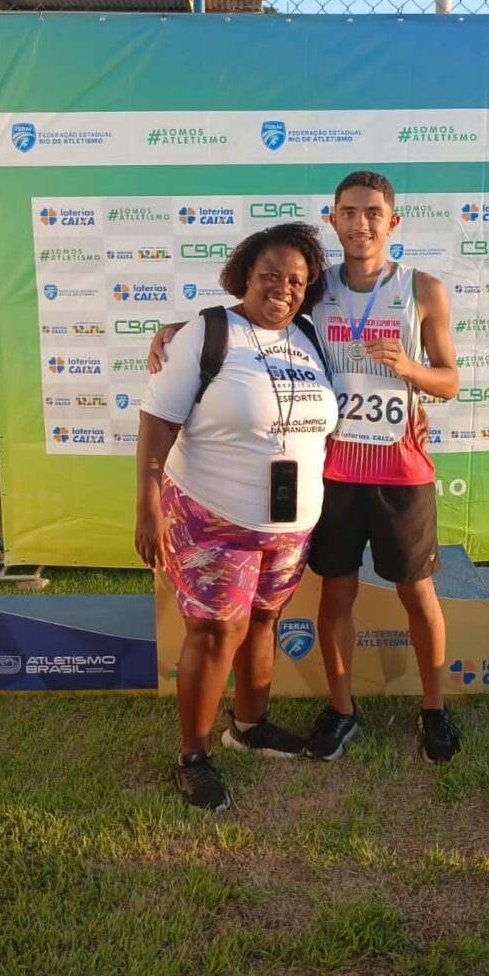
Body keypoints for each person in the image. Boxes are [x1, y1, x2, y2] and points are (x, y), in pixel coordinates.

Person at [149, 171, 461, 765]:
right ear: (333, 219)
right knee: (336, 592)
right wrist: (178, 331)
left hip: (401, 470)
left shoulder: (424, 288)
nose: (361, 223)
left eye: (373, 213)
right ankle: (341, 711)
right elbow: (256, 315)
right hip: (334, 471)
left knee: (417, 592)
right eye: (350, 212)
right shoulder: (317, 290)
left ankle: (433, 708)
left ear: (393, 221)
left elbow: (449, 381)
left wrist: (410, 371)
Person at [135, 223, 338, 812]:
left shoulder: (309, 336)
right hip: (212, 516)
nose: (283, 288)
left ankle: (249, 726)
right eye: (271, 275)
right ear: (246, 274)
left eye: (296, 280)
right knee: (216, 630)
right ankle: (193, 756)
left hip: (289, 525)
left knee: (265, 620)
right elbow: (157, 421)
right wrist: (147, 505)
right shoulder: (208, 332)